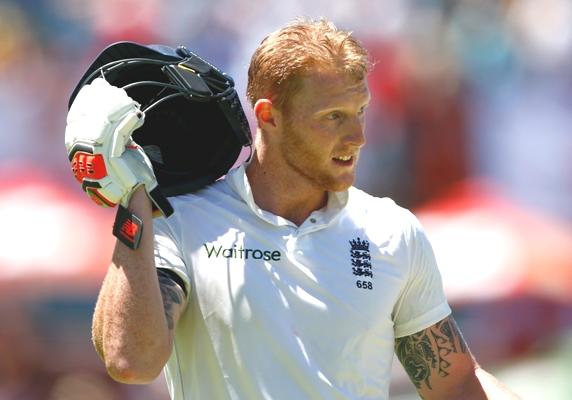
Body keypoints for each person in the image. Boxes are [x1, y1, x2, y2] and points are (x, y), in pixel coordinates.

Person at [77, 18, 519, 399]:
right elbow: (130, 360)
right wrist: (133, 197)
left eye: (360, 110)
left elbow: (457, 383)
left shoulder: (392, 231)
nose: (358, 136)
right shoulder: (181, 222)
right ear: (269, 116)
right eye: (333, 117)